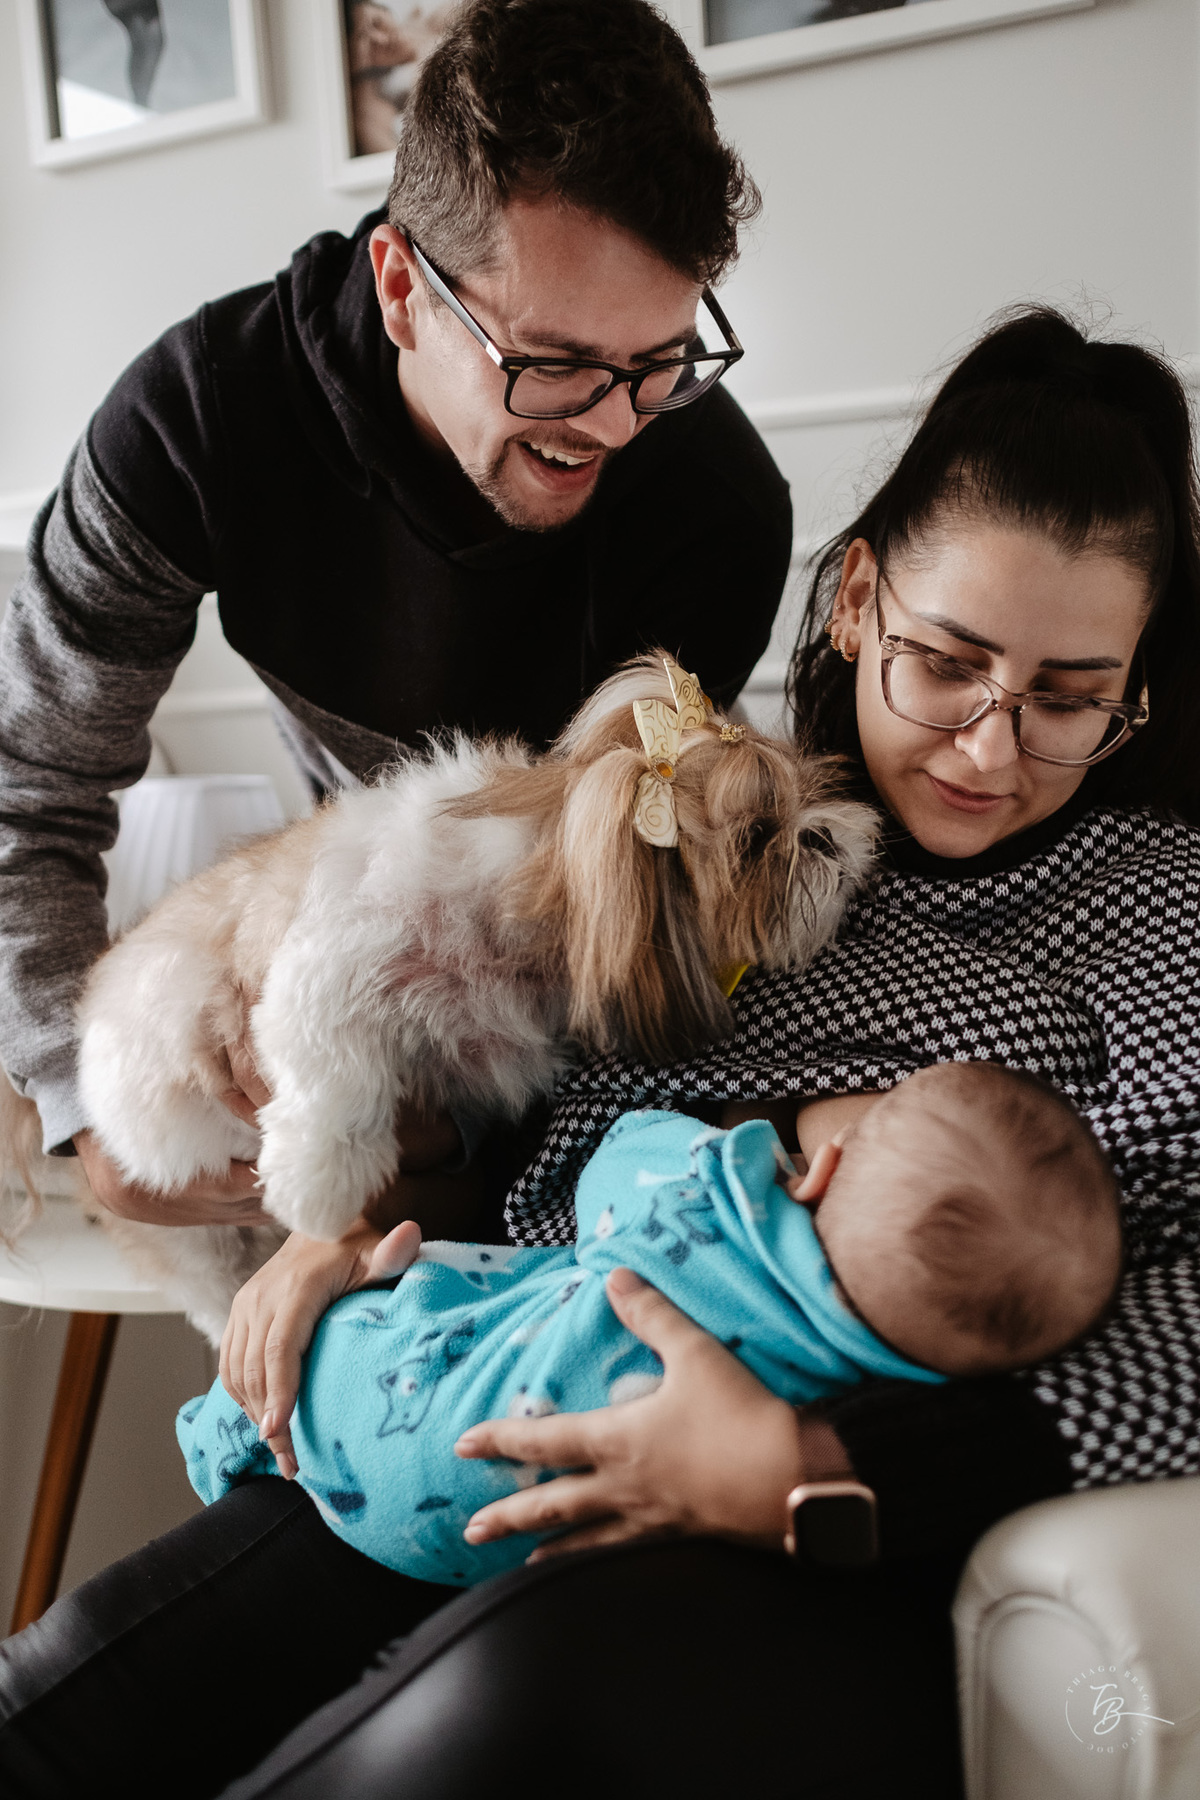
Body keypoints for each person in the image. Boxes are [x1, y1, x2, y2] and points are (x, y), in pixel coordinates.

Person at [3, 306, 1198, 1800]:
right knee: (62, 1705)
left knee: (478, 1721)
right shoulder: (724, 828)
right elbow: (543, 1131)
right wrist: (354, 1234)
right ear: (855, 605)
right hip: (491, 1374)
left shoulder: (1158, 914)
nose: (990, 748)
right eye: (947, 666)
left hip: (792, 1526)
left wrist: (813, 1468)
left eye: (1070, 700)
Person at [0, 0, 789, 1233]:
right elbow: (29, 783)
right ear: (401, 286)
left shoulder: (716, 511)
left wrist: (451, 1151)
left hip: (551, 1046)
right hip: (330, 943)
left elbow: (641, 913)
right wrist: (76, 1101)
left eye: (658, 361)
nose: (614, 424)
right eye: (554, 361)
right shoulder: (194, 425)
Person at [177, 1064, 1122, 1587]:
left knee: (439, 1291)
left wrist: (743, 1152)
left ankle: (216, 1434)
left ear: (829, 1166)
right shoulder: (885, 1384)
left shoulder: (723, 1204)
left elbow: (618, 1157)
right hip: (486, 1547)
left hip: (395, 1415)